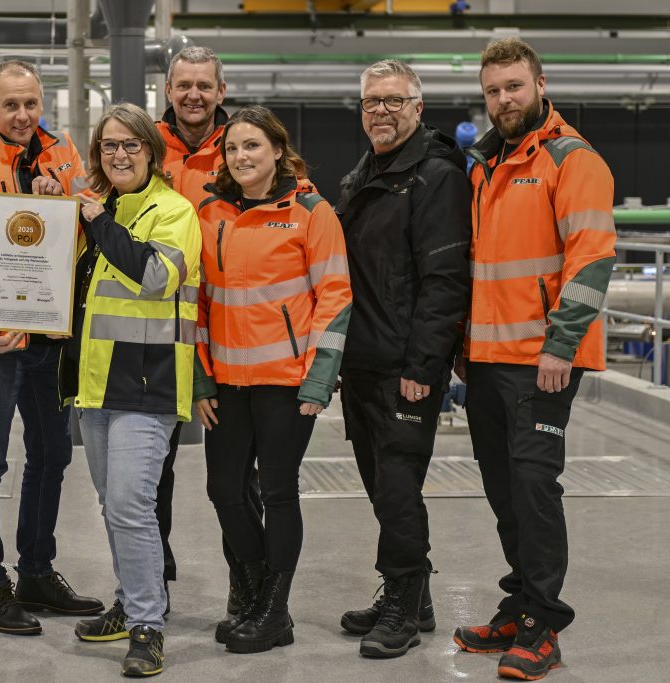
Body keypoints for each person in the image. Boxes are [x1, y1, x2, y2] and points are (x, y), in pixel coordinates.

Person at [453, 38, 616, 681]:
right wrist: (465, 346)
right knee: (503, 490)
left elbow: (591, 258)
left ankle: (542, 624)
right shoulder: (485, 164)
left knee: (534, 487)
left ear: (540, 85)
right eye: (493, 90)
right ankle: (520, 604)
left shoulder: (572, 159)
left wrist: (560, 344)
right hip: (486, 357)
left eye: (514, 86)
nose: (503, 99)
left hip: (542, 359)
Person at [0, 59, 103, 635]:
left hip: (49, 337)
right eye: (11, 104)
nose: (23, 114)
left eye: (31, 103)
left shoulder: (65, 154)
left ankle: (36, 571)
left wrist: (65, 202)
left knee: (53, 455)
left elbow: (92, 226)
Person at [193, 105, 352, 654]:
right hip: (226, 380)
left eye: (252, 145)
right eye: (232, 148)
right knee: (224, 490)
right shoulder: (209, 211)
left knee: (278, 492)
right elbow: (197, 300)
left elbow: (335, 295)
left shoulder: (310, 211)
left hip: (286, 380)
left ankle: (274, 610)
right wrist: (200, 376)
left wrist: (319, 378)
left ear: (278, 151)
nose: (241, 156)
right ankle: (257, 588)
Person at [334, 60, 471, 658]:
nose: (381, 112)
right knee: (380, 486)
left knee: (397, 488)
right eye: (371, 102)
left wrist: (424, 367)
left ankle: (403, 609)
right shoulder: (368, 172)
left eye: (394, 101)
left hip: (404, 367)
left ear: (418, 107)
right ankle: (413, 596)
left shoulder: (435, 176)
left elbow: (445, 281)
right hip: (364, 360)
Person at [65, 102, 201, 678]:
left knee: (129, 505)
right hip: (96, 384)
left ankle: (148, 624)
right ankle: (128, 602)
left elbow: (154, 278)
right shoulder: (99, 210)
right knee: (113, 505)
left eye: (130, 144)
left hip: (148, 383)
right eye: (109, 145)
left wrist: (97, 221)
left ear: (151, 151)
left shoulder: (174, 211)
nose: (119, 154)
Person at [153, 44, 241, 615]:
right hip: (157, 329)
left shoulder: (245, 144)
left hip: (229, 330)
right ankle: (150, 582)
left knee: (233, 477)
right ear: (168, 90)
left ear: (221, 91)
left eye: (204, 86)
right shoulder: (144, 144)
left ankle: (246, 580)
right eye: (184, 85)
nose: (193, 95)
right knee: (149, 473)